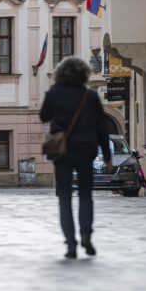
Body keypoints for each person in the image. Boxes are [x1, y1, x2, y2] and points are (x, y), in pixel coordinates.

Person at [40, 56, 112, 259]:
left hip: (61, 152)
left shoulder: (54, 93)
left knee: (64, 197)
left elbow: (43, 116)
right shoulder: (90, 96)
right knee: (85, 196)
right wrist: (107, 156)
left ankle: (71, 243)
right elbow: (102, 128)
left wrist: (53, 100)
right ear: (83, 75)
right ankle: (86, 235)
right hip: (86, 151)